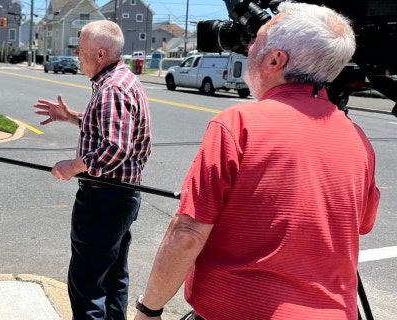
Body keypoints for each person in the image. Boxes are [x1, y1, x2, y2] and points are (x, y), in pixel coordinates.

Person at [134, 2, 380, 320]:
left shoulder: (238, 123)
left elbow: (188, 234)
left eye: (255, 42)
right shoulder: (357, 138)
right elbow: (363, 222)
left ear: (275, 60)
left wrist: (148, 309)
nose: (248, 48)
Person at [34, 20, 152, 320]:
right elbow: (108, 127)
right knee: (113, 278)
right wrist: (71, 116)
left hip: (104, 201)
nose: (76, 54)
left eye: (81, 49)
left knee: (88, 286)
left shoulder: (112, 89)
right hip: (120, 198)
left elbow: (114, 147)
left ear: (100, 54)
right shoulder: (122, 81)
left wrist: (72, 167)